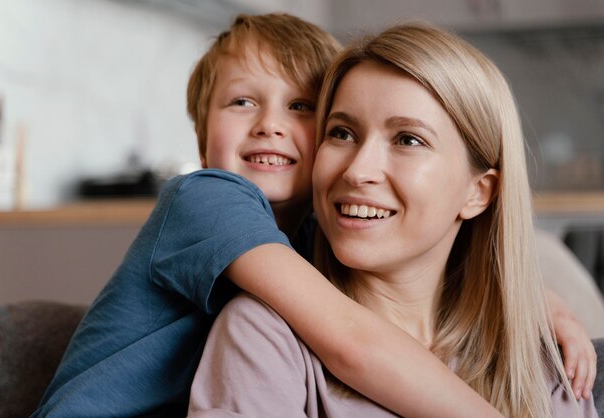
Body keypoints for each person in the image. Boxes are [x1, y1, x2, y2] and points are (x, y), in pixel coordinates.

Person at [34, 13, 594, 418]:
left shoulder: (309, 238)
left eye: (302, 107)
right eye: (241, 102)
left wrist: (537, 302)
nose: (270, 125)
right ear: (202, 136)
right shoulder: (206, 200)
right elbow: (354, 342)